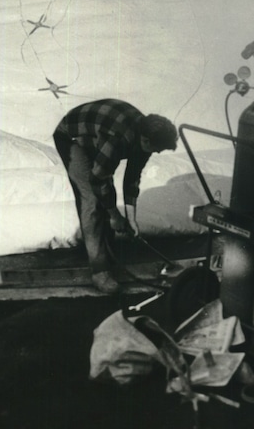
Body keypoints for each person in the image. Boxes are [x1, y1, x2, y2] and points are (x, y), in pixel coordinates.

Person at [53, 99, 178, 294]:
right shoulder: (117, 137)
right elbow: (97, 179)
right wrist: (114, 216)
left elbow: (132, 177)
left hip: (96, 133)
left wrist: (131, 218)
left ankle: (109, 254)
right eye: (156, 149)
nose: (157, 152)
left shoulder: (145, 135)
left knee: (104, 188)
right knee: (92, 201)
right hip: (71, 137)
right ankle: (99, 271)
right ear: (145, 140)